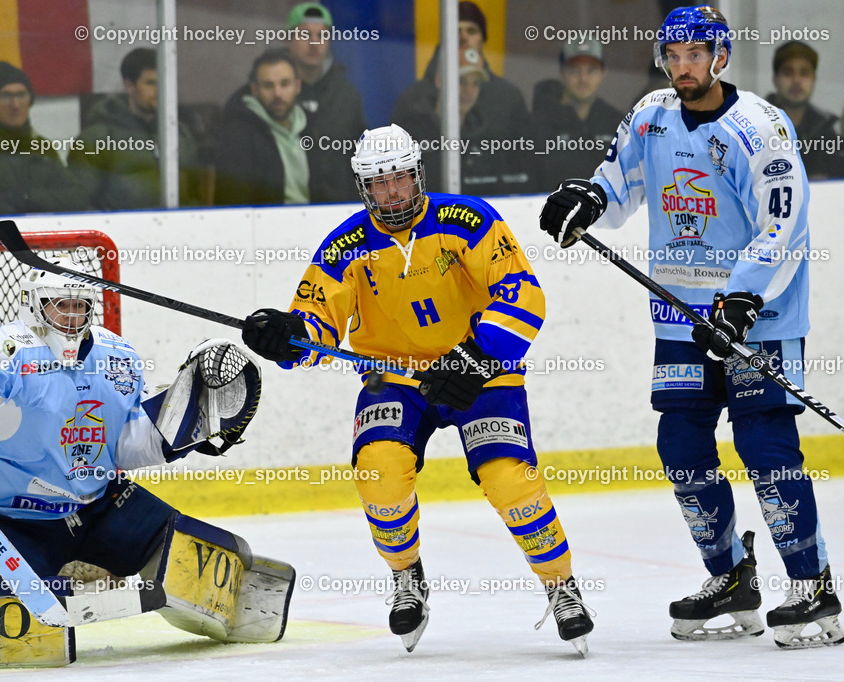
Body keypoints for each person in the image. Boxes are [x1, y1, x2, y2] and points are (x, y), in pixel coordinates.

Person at [540, 6, 842, 649]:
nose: (682, 67)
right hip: (680, 316)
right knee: (680, 446)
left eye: (694, 54)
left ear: (721, 56)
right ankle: (730, 576)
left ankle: (813, 587)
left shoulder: (759, 128)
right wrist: (588, 199)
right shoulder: (650, 116)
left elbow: (784, 225)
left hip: (757, 316)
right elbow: (619, 181)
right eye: (672, 55)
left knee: (765, 448)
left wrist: (738, 303)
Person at [241, 123, 595, 655]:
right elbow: (314, 321)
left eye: (400, 180)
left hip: (481, 370)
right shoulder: (346, 245)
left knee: (509, 480)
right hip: (396, 378)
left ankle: (561, 585)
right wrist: (286, 337)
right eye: (378, 185)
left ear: (417, 175)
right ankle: (408, 576)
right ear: (364, 188)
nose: (391, 195)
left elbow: (524, 295)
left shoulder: (469, 220)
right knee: (378, 472)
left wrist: (475, 357)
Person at [0, 258, 293, 647]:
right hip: (7, 520)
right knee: (0, 622)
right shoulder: (6, 354)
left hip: (99, 507)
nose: (72, 318)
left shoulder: (119, 356)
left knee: (190, 551)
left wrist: (181, 429)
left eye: (80, 307)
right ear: (34, 307)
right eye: (60, 307)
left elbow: (126, 445)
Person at [393, 1, 535, 195]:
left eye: (471, 30)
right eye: (455, 29)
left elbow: (524, 165)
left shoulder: (508, 97)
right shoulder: (412, 99)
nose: (463, 37)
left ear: (483, 38)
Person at [69, 48, 203, 209]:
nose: (159, 91)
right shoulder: (97, 138)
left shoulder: (179, 133)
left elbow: (195, 193)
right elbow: (79, 202)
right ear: (129, 86)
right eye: (151, 83)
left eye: (164, 83)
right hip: (121, 230)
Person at [0, 61, 88, 216]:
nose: (15, 104)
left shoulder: (41, 146)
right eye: (6, 95)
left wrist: (28, 198)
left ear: (30, 100)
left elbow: (77, 197)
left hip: (44, 236)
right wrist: (36, 207)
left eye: (21, 95)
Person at [393, 47, 515, 197]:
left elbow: (499, 193)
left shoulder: (487, 136)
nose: (469, 91)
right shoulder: (409, 134)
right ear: (439, 80)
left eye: (475, 83)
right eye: (461, 81)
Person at [285, 2, 367, 203]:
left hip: (339, 208)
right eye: (305, 35)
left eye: (321, 35)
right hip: (285, 211)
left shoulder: (347, 95)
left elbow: (361, 157)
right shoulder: (275, 93)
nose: (314, 43)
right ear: (289, 39)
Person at [214, 49, 313, 206]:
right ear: (255, 89)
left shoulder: (313, 127)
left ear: (297, 86)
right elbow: (234, 202)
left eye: (285, 84)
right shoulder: (238, 134)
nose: (277, 93)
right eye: (268, 86)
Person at [532, 40, 622, 190]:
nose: (583, 79)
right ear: (561, 73)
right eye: (574, 70)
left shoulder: (618, 123)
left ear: (603, 74)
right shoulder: (538, 126)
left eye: (591, 70)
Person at [765, 41, 842, 180]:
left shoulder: (827, 128)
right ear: (775, 79)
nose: (796, 80)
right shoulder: (755, 123)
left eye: (804, 73)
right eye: (788, 73)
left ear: (814, 79)